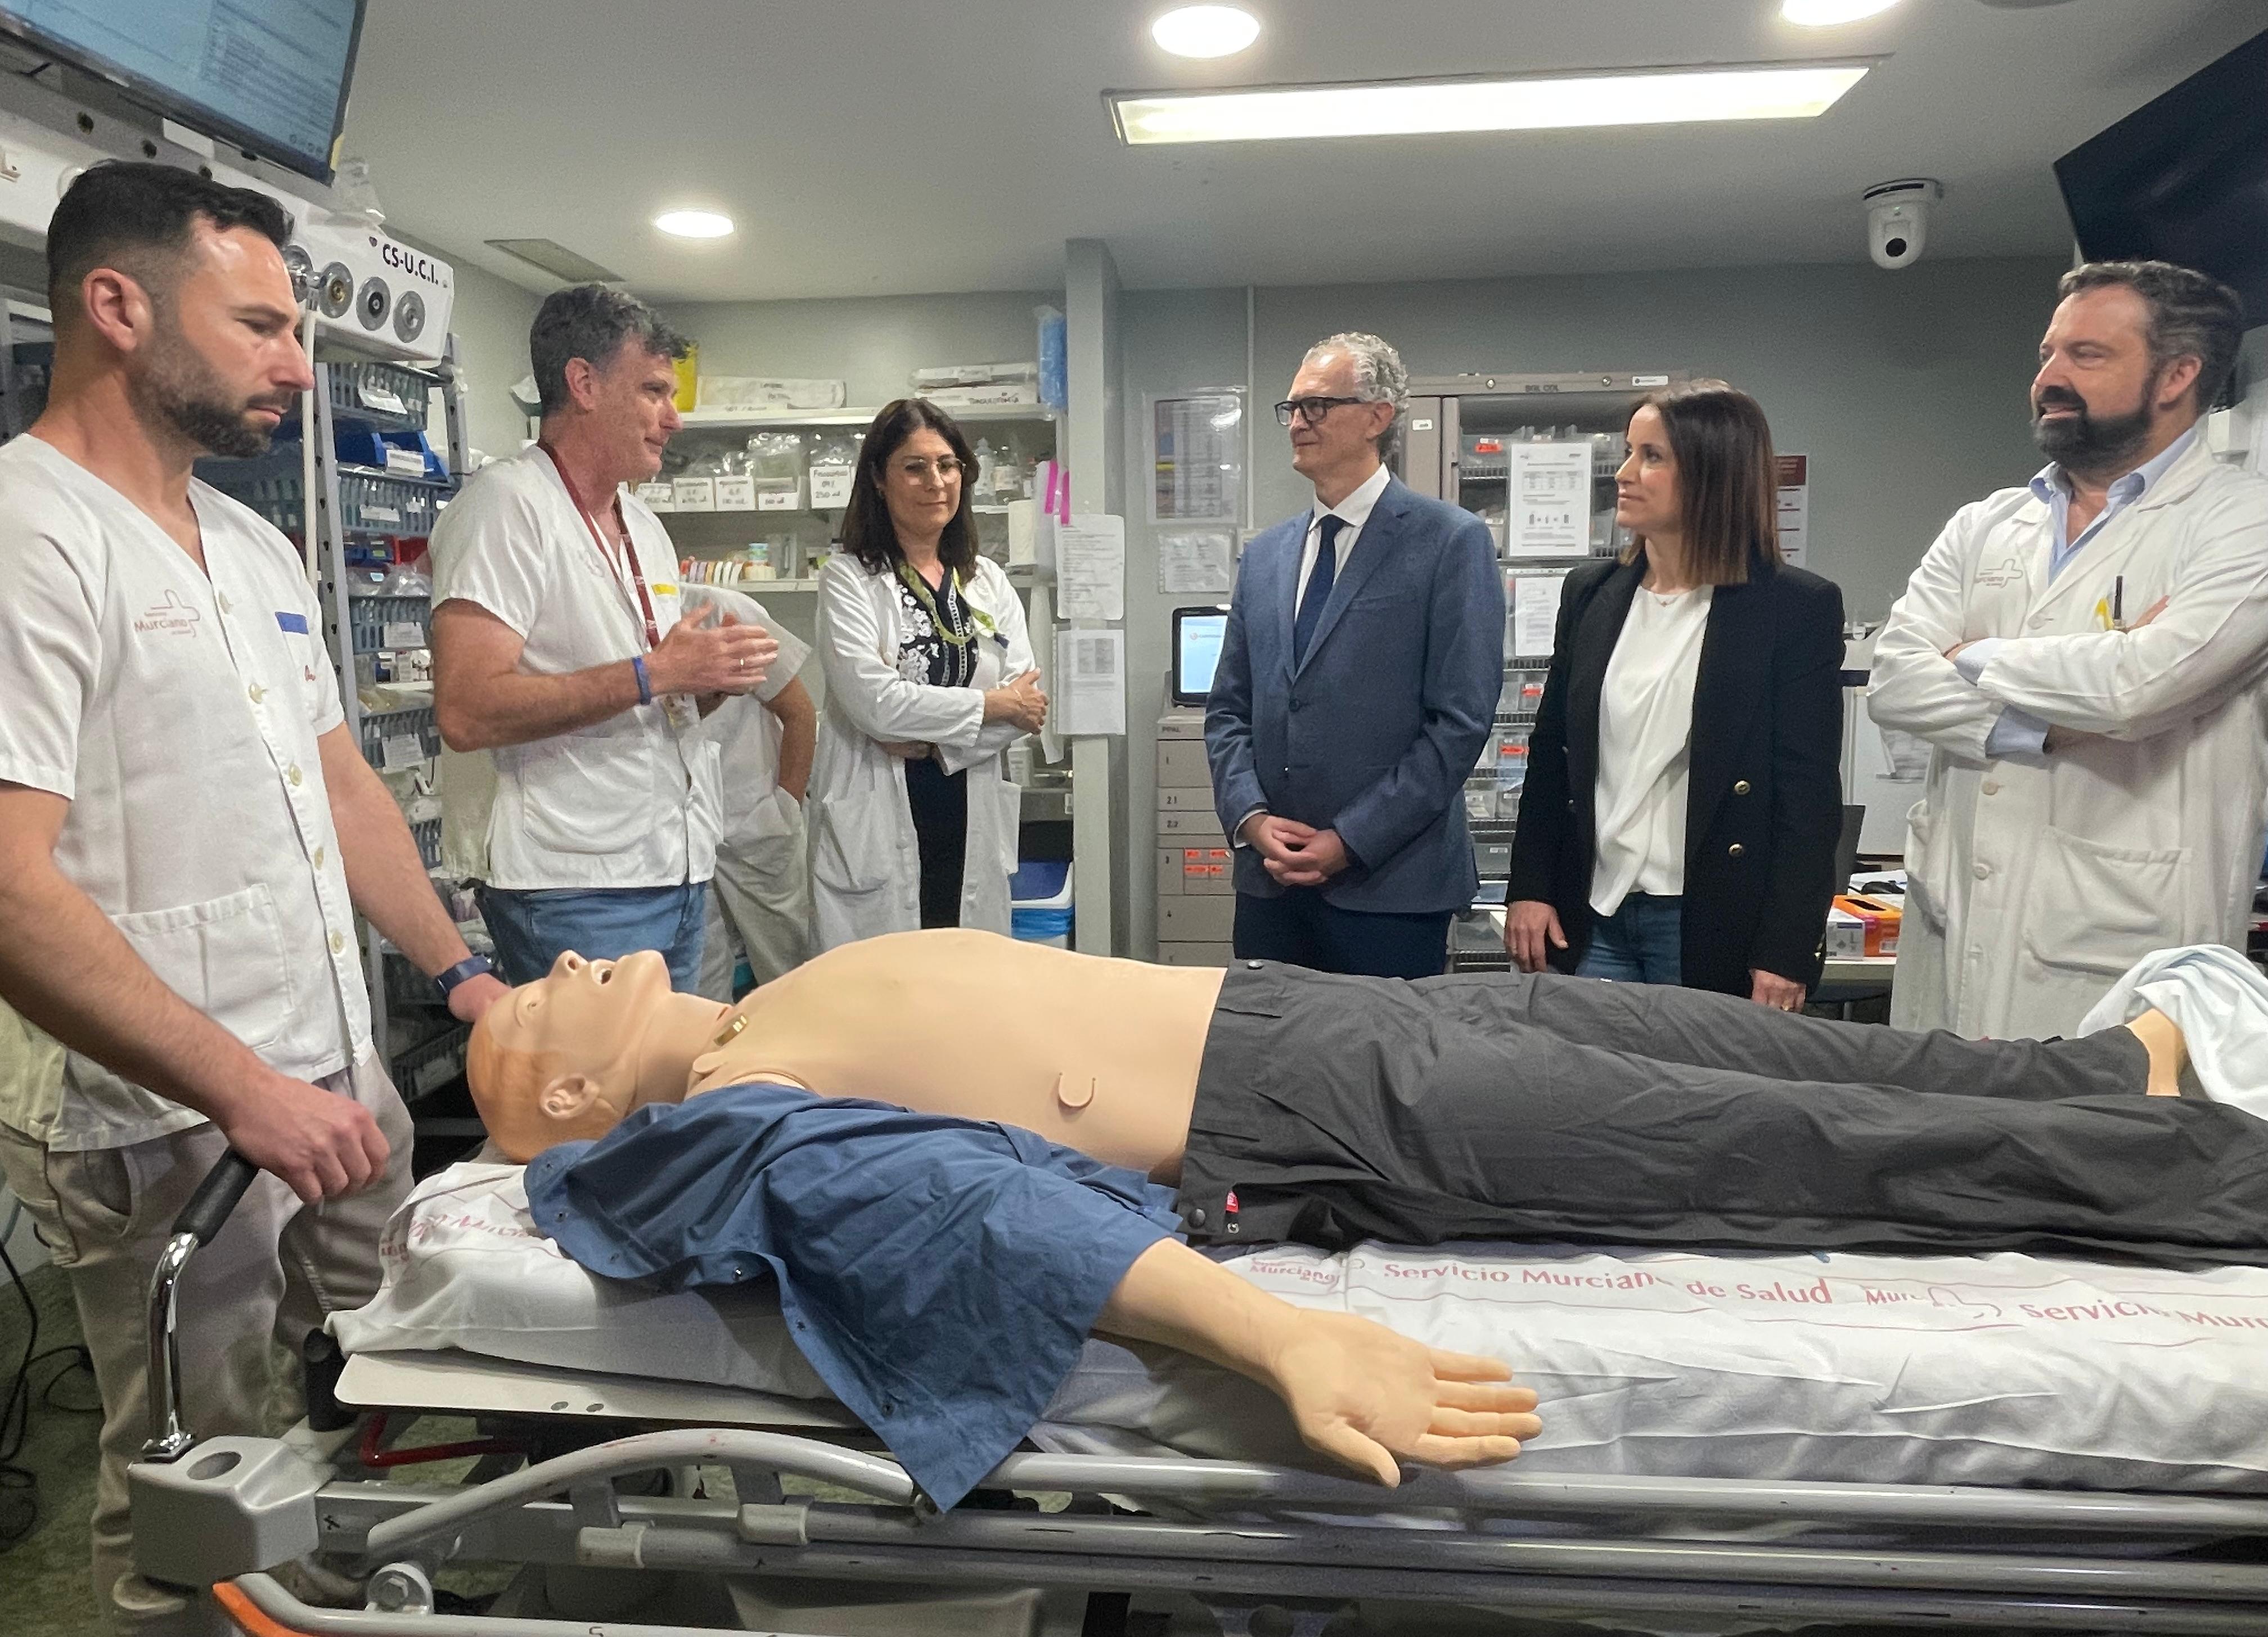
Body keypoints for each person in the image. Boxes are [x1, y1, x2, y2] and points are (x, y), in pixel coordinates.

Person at [470, 932, 2239, 1502]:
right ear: (565, 1107)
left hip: (1317, 1005)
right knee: (1783, 1142)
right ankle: (2209, 1178)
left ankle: (2114, 1078)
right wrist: (1282, 1333)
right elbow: (958, 1212)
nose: (559, 962)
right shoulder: (722, 1126)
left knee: (1758, 1044)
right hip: (1320, 1111)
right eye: (544, 1009)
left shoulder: (765, 1004)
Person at [0, 161, 507, 1634]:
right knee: (189, 1486)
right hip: (171, 1123)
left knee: (360, 1398)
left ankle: (340, 1603)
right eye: (262, 324)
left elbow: (340, 789)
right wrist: (243, 1091)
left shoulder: (257, 545)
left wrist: (462, 978)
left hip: (334, 1076)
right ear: (118, 306)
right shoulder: (31, 535)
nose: (300, 360)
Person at [1869, 260, 2268, 1040]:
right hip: (1953, 922)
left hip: (2123, 948)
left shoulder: (2242, 521)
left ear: (2177, 375)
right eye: (2048, 353)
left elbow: (2140, 688)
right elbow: (1893, 680)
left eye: (2086, 356)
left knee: (2088, 1152)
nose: (2049, 376)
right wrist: (2041, 724)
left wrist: (1971, 654)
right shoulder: (1986, 523)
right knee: (1935, 1145)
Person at [429, 286, 778, 990]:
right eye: (653, 391)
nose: (673, 419)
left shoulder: (642, 526)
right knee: (595, 1097)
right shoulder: (505, 507)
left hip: (673, 868)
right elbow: (467, 711)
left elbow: (649, 695)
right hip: (574, 884)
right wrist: (657, 672)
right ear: (584, 384)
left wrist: (700, 684)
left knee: (666, 1091)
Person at [1505, 384, 1845, 1007]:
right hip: (1593, 916)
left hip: (1710, 922)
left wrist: (1786, 951)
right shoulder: (1591, 595)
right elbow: (1552, 756)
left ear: (1715, 473)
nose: (1626, 475)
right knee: (1590, 1098)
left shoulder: (1793, 608)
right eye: (1630, 453)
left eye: (1653, 457)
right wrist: (1529, 887)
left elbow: (1808, 797)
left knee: (1702, 1099)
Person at [1206, 333, 1504, 979]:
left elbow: (1459, 723)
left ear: (1377, 417)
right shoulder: (1265, 557)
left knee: (1383, 1073)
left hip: (1390, 889)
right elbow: (1228, 708)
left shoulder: (1450, 542)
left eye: (1317, 406)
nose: (1298, 423)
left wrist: (1350, 841)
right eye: (1291, 409)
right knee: (1269, 1062)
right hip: (1271, 886)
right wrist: (1251, 818)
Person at [808, 399, 1045, 948]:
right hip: (879, 815)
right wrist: (989, 705)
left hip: (968, 806)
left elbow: (1026, 702)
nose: (935, 481)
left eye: (948, 464)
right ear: (879, 479)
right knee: (882, 1003)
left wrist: (938, 746)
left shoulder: (986, 579)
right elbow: (874, 702)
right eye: (914, 467)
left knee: (963, 991)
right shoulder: (850, 578)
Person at [691, 587, 818, 1000]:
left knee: (788, 974)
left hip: (756, 819)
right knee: (702, 984)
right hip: (685, 835)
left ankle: (796, 1064)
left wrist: (785, 806)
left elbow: (799, 712)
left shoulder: (719, 610)